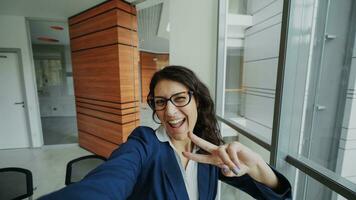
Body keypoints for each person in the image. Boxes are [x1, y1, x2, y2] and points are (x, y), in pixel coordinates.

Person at [40, 65, 291, 200]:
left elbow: (275, 196)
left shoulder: (210, 151)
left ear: (198, 101)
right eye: (160, 102)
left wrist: (258, 164)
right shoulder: (144, 143)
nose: (169, 111)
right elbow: (108, 183)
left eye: (180, 99)